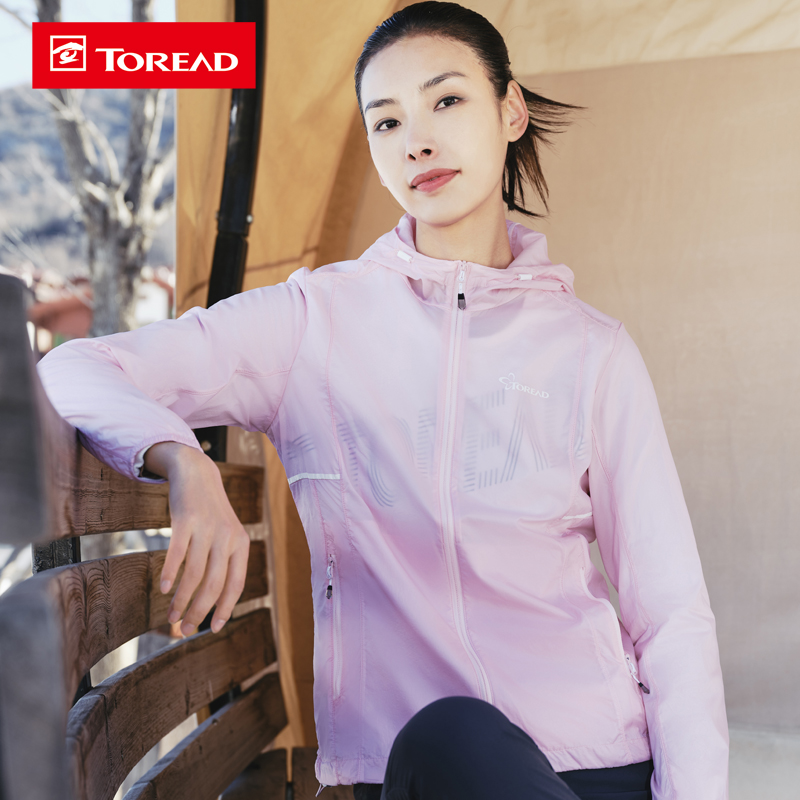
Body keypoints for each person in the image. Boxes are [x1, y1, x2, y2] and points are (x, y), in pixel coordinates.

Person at [37, 3, 729, 799]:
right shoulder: (312, 324)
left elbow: (670, 610)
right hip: (428, 767)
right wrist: (181, 460)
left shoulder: (593, 351)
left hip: (597, 770)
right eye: (386, 121)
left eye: (446, 100)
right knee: (452, 732)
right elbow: (77, 367)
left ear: (510, 111)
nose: (416, 142)